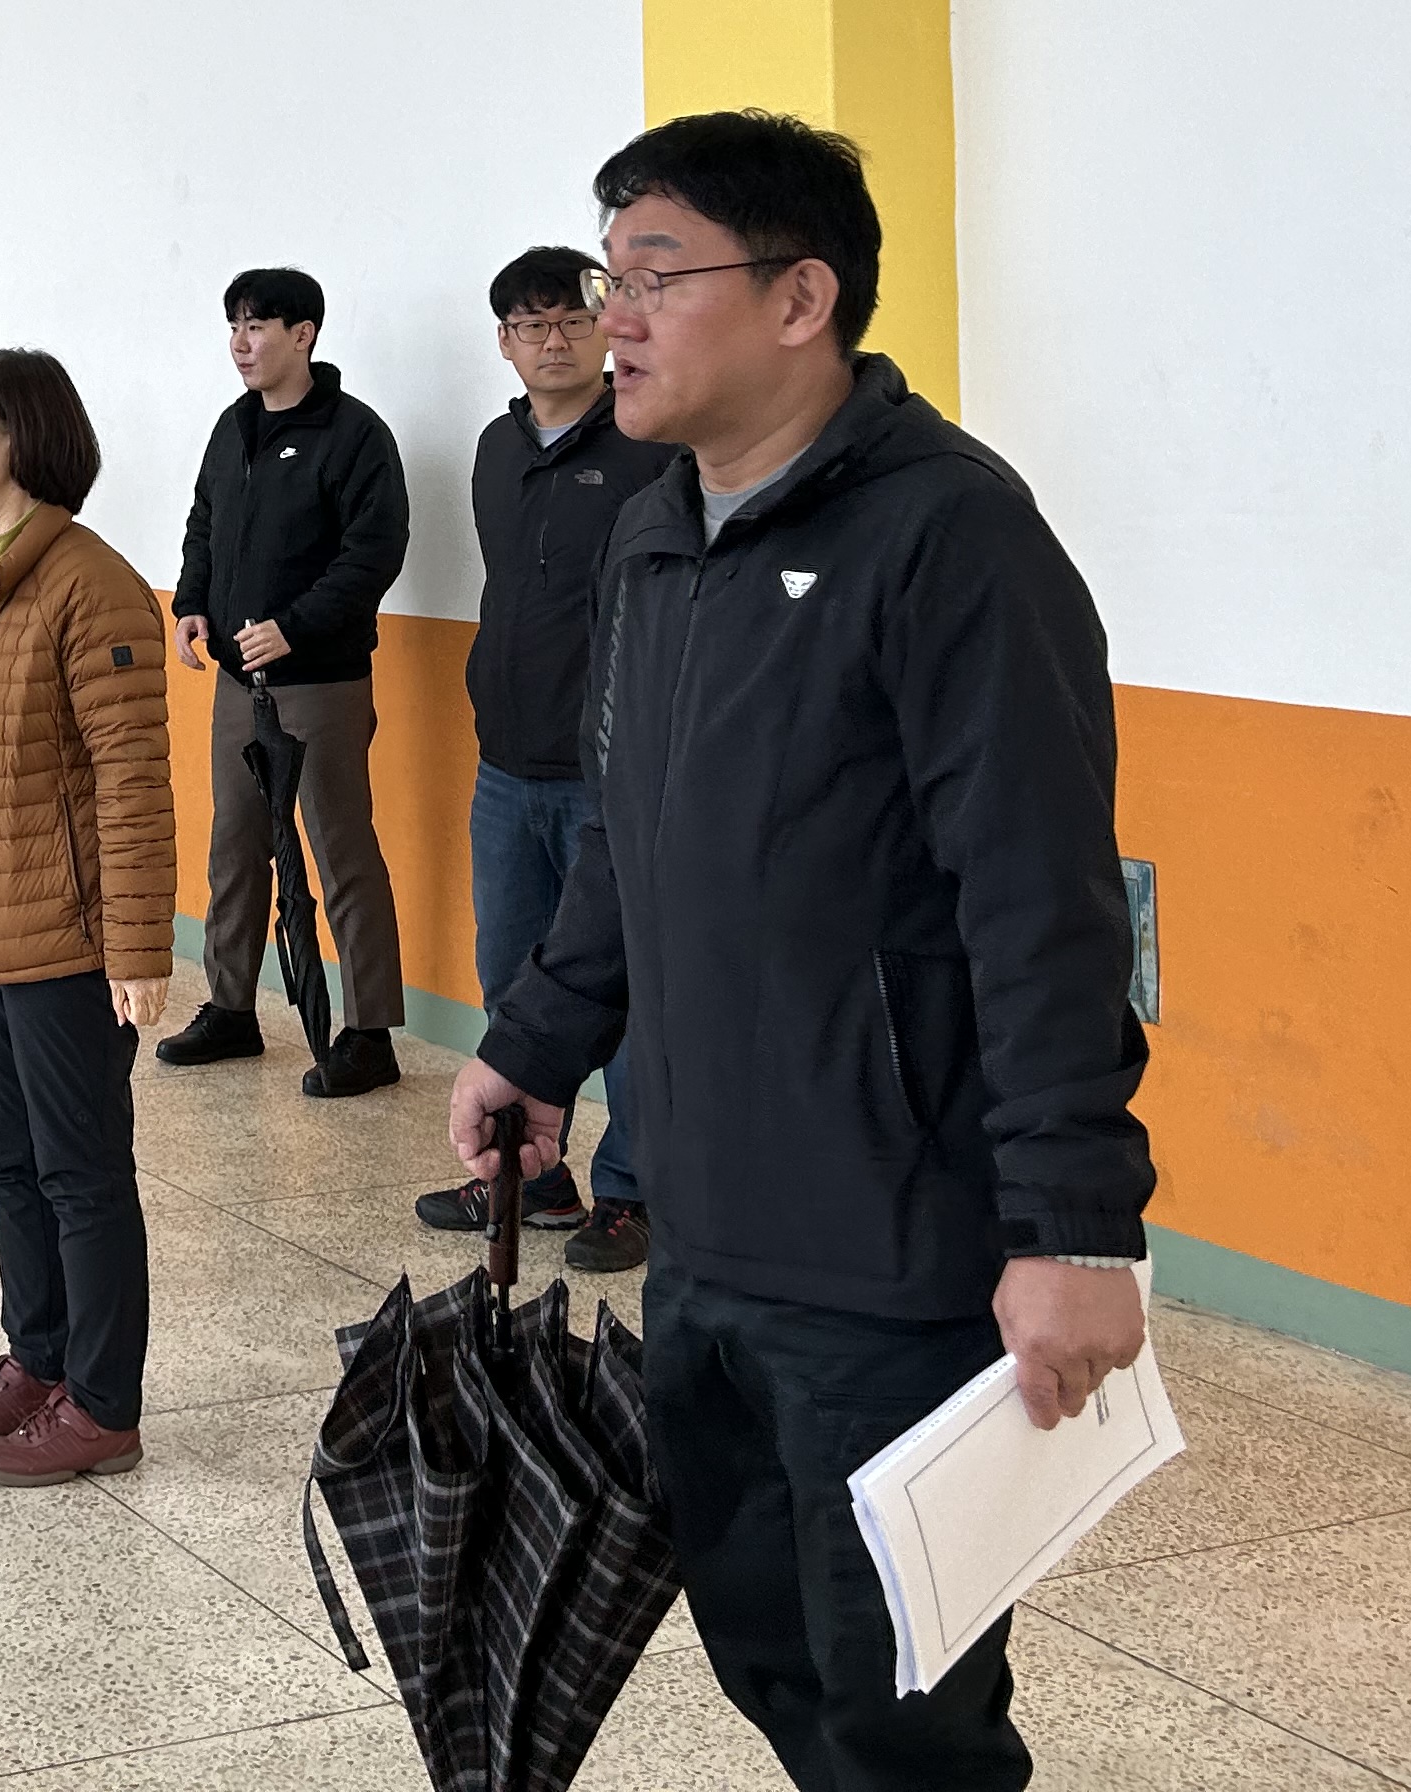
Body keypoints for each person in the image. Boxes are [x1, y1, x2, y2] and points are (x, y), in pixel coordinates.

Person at [450, 113, 1151, 1792]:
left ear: (798, 298)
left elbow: (1044, 903)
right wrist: (536, 1037)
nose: (611, 316)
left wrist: (1071, 1223)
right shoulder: (658, 534)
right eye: (605, 276)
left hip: (892, 1251)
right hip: (703, 1224)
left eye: (652, 275)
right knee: (764, 1643)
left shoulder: (949, 537)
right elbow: (626, 836)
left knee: (903, 1708)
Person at [0, 349, 173, 1486]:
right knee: (7, 1153)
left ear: (21, 433)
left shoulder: (89, 580)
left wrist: (139, 947)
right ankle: (39, 1359)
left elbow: (132, 778)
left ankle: (104, 1404)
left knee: (80, 1168)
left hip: (63, 931)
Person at [415, 247, 681, 1270]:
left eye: (571, 319)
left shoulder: (649, 444)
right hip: (506, 764)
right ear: (506, 342)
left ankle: (632, 1189)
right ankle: (535, 1174)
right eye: (531, 325)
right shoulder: (497, 447)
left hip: (607, 774)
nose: (554, 339)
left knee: (627, 989)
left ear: (603, 327)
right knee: (513, 979)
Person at [160, 267, 412, 1096]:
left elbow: (373, 554)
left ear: (303, 335)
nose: (241, 342)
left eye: (258, 325)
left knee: (340, 851)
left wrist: (295, 626)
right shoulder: (232, 426)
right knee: (235, 848)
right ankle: (232, 1008)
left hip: (321, 684)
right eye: (234, 325)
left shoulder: (354, 434)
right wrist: (192, 603)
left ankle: (369, 1032)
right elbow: (204, 522)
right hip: (238, 683)